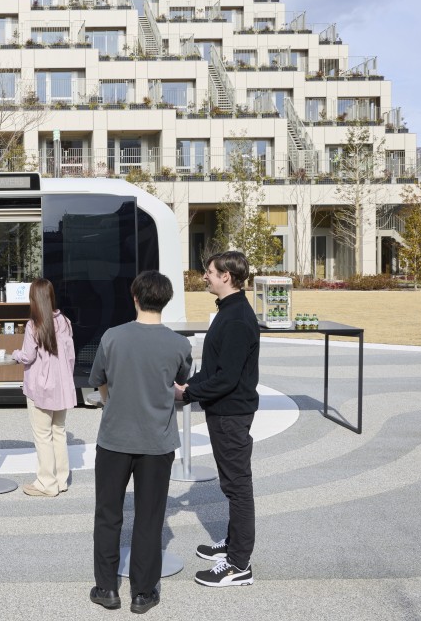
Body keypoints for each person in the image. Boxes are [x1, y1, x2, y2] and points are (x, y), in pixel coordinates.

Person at [88, 270, 192, 613]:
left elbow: (99, 382)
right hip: (157, 442)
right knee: (149, 517)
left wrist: (110, 401)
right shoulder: (179, 344)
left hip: (114, 438)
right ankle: (143, 593)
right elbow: (180, 383)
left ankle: (107, 588)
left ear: (135, 297)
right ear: (166, 300)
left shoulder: (112, 337)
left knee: (108, 514)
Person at [174, 251, 260, 588]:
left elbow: (226, 379)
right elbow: (213, 369)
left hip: (232, 413)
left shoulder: (237, 318)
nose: (205, 276)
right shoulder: (228, 311)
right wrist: (191, 384)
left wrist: (188, 394)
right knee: (230, 483)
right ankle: (233, 542)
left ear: (227, 276)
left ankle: (239, 564)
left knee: (238, 487)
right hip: (223, 411)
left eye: (209, 272)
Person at [11, 278, 76, 497]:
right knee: (59, 431)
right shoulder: (65, 321)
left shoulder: (34, 325)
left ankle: (46, 483)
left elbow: (28, 356)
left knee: (42, 435)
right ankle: (61, 480)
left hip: (41, 388)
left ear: (33, 299)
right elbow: (71, 357)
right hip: (62, 386)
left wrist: (14, 355)